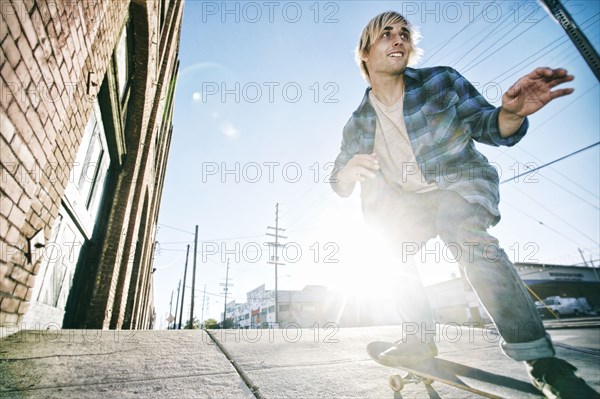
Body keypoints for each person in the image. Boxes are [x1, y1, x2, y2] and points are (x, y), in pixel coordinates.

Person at [331, 11, 599, 399]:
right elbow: (338, 180)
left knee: (465, 233)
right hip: (407, 205)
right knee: (389, 252)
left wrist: (510, 113)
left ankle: (543, 362)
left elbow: (490, 127)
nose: (398, 39)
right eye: (386, 34)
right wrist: (346, 173)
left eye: (404, 33)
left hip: (460, 184)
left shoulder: (441, 81)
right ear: (364, 53)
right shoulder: (357, 122)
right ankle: (417, 340)